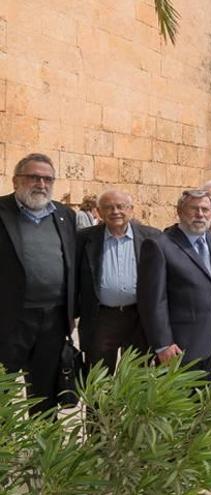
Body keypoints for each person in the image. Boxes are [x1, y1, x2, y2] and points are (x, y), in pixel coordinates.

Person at [137, 189, 211, 464]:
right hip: (180, 346)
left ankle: (206, 458)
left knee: (210, 405)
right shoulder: (159, 245)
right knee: (181, 407)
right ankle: (178, 462)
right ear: (180, 211)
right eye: (194, 209)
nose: (200, 214)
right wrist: (162, 343)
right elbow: (153, 301)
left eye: (205, 209)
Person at [0, 153, 77, 415]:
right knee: (3, 388)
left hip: (52, 319)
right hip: (9, 319)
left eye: (47, 179)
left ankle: (45, 450)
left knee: (45, 394)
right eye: (33, 177)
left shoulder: (65, 215)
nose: (41, 184)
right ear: (15, 180)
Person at [75, 190, 160, 371]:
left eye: (120, 206)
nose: (115, 211)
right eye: (108, 207)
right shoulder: (84, 239)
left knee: (137, 374)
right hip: (102, 318)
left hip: (139, 317)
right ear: (98, 211)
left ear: (131, 209)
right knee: (99, 374)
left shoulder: (152, 237)